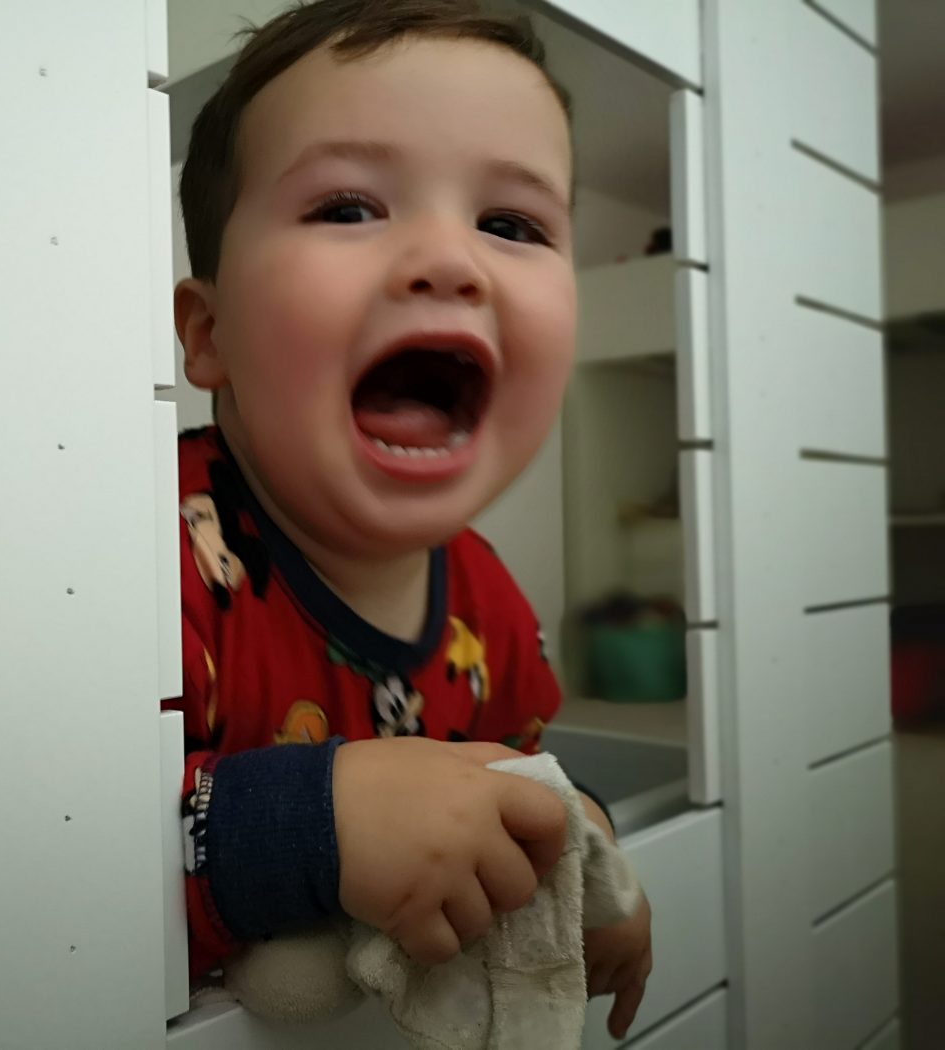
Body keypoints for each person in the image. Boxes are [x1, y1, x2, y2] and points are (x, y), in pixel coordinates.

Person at [165, 0, 653, 1039]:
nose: (449, 261)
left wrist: (581, 834)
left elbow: (517, 761)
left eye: (511, 225)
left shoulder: (488, 598)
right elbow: (33, 858)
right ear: (207, 334)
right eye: (346, 207)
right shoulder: (142, 561)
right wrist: (312, 825)